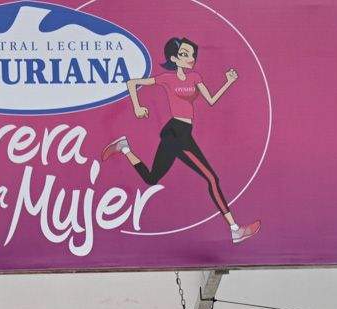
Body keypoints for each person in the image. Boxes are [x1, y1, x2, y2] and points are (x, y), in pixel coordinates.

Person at [102, 36, 260, 244]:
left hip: (183, 132)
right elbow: (132, 83)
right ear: (174, 58)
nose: (191, 58)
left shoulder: (195, 77)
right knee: (212, 178)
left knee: (151, 178)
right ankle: (235, 229)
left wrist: (228, 82)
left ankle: (124, 148)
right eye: (185, 54)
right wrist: (137, 107)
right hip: (175, 132)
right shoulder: (166, 79)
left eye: (192, 55)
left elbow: (211, 100)